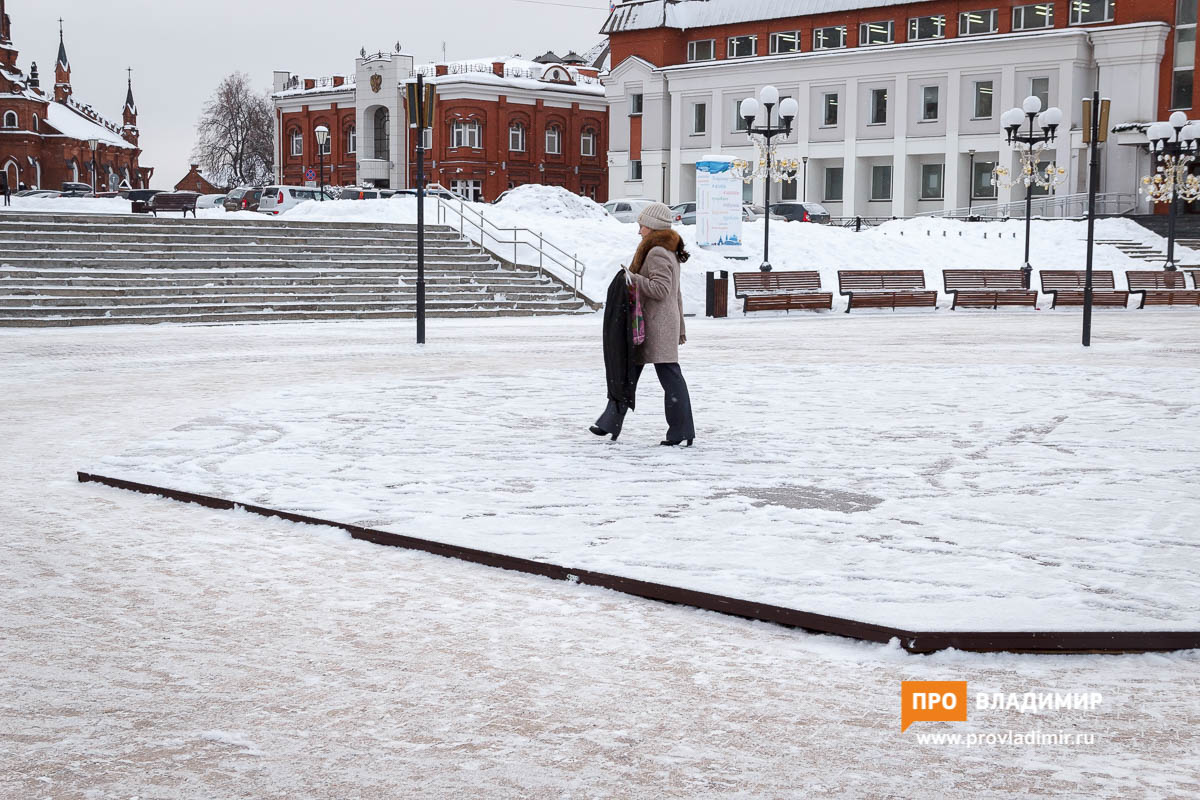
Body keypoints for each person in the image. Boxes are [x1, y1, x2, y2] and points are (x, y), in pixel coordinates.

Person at [591, 202, 696, 446]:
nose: (639, 231)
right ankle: (610, 422)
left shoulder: (657, 252)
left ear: (653, 227)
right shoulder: (665, 249)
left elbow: (662, 290)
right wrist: (680, 325)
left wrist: (632, 278)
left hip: (655, 326)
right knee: (628, 374)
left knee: (668, 378)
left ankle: (681, 430)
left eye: (642, 226)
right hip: (652, 324)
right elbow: (676, 294)